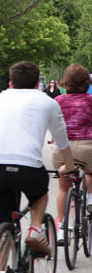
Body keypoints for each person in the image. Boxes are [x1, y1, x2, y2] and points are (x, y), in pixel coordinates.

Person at [0, 61, 74, 258]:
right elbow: (61, 138)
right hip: (28, 168)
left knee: (3, 224)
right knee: (40, 194)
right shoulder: (48, 102)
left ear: (11, 83)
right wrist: (69, 165)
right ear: (37, 85)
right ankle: (35, 229)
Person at [51, 64, 92, 234]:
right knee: (89, 172)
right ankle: (90, 198)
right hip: (87, 147)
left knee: (63, 187)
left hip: (63, 150)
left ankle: (61, 227)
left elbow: (55, 126)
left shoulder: (58, 101)